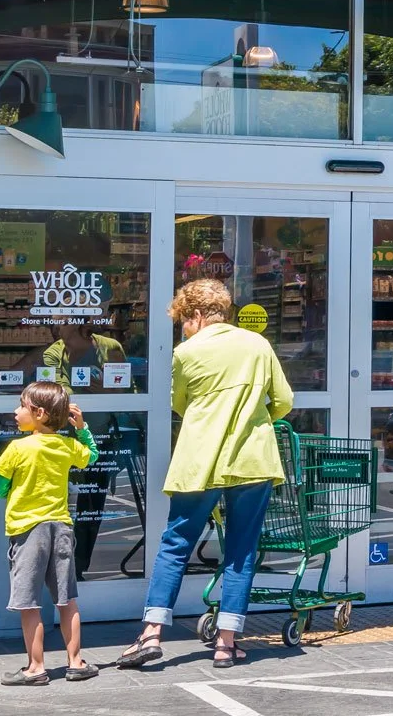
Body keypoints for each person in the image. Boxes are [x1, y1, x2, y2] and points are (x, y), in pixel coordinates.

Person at [117, 279, 293, 671]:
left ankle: (151, 633)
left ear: (196, 315)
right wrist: (254, 418)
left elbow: (180, 402)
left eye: (184, 321)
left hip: (199, 461)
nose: (183, 329)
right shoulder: (258, 346)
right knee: (242, 549)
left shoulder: (187, 352)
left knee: (176, 543)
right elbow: (284, 400)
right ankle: (227, 644)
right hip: (251, 460)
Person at [0, 380, 98, 685]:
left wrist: (12, 487)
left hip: (27, 531)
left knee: (29, 601)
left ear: (38, 413)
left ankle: (35, 667)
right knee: (67, 599)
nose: (16, 411)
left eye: (22, 406)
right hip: (60, 528)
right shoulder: (67, 446)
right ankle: (75, 662)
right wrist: (83, 428)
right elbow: (92, 456)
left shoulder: (17, 448)